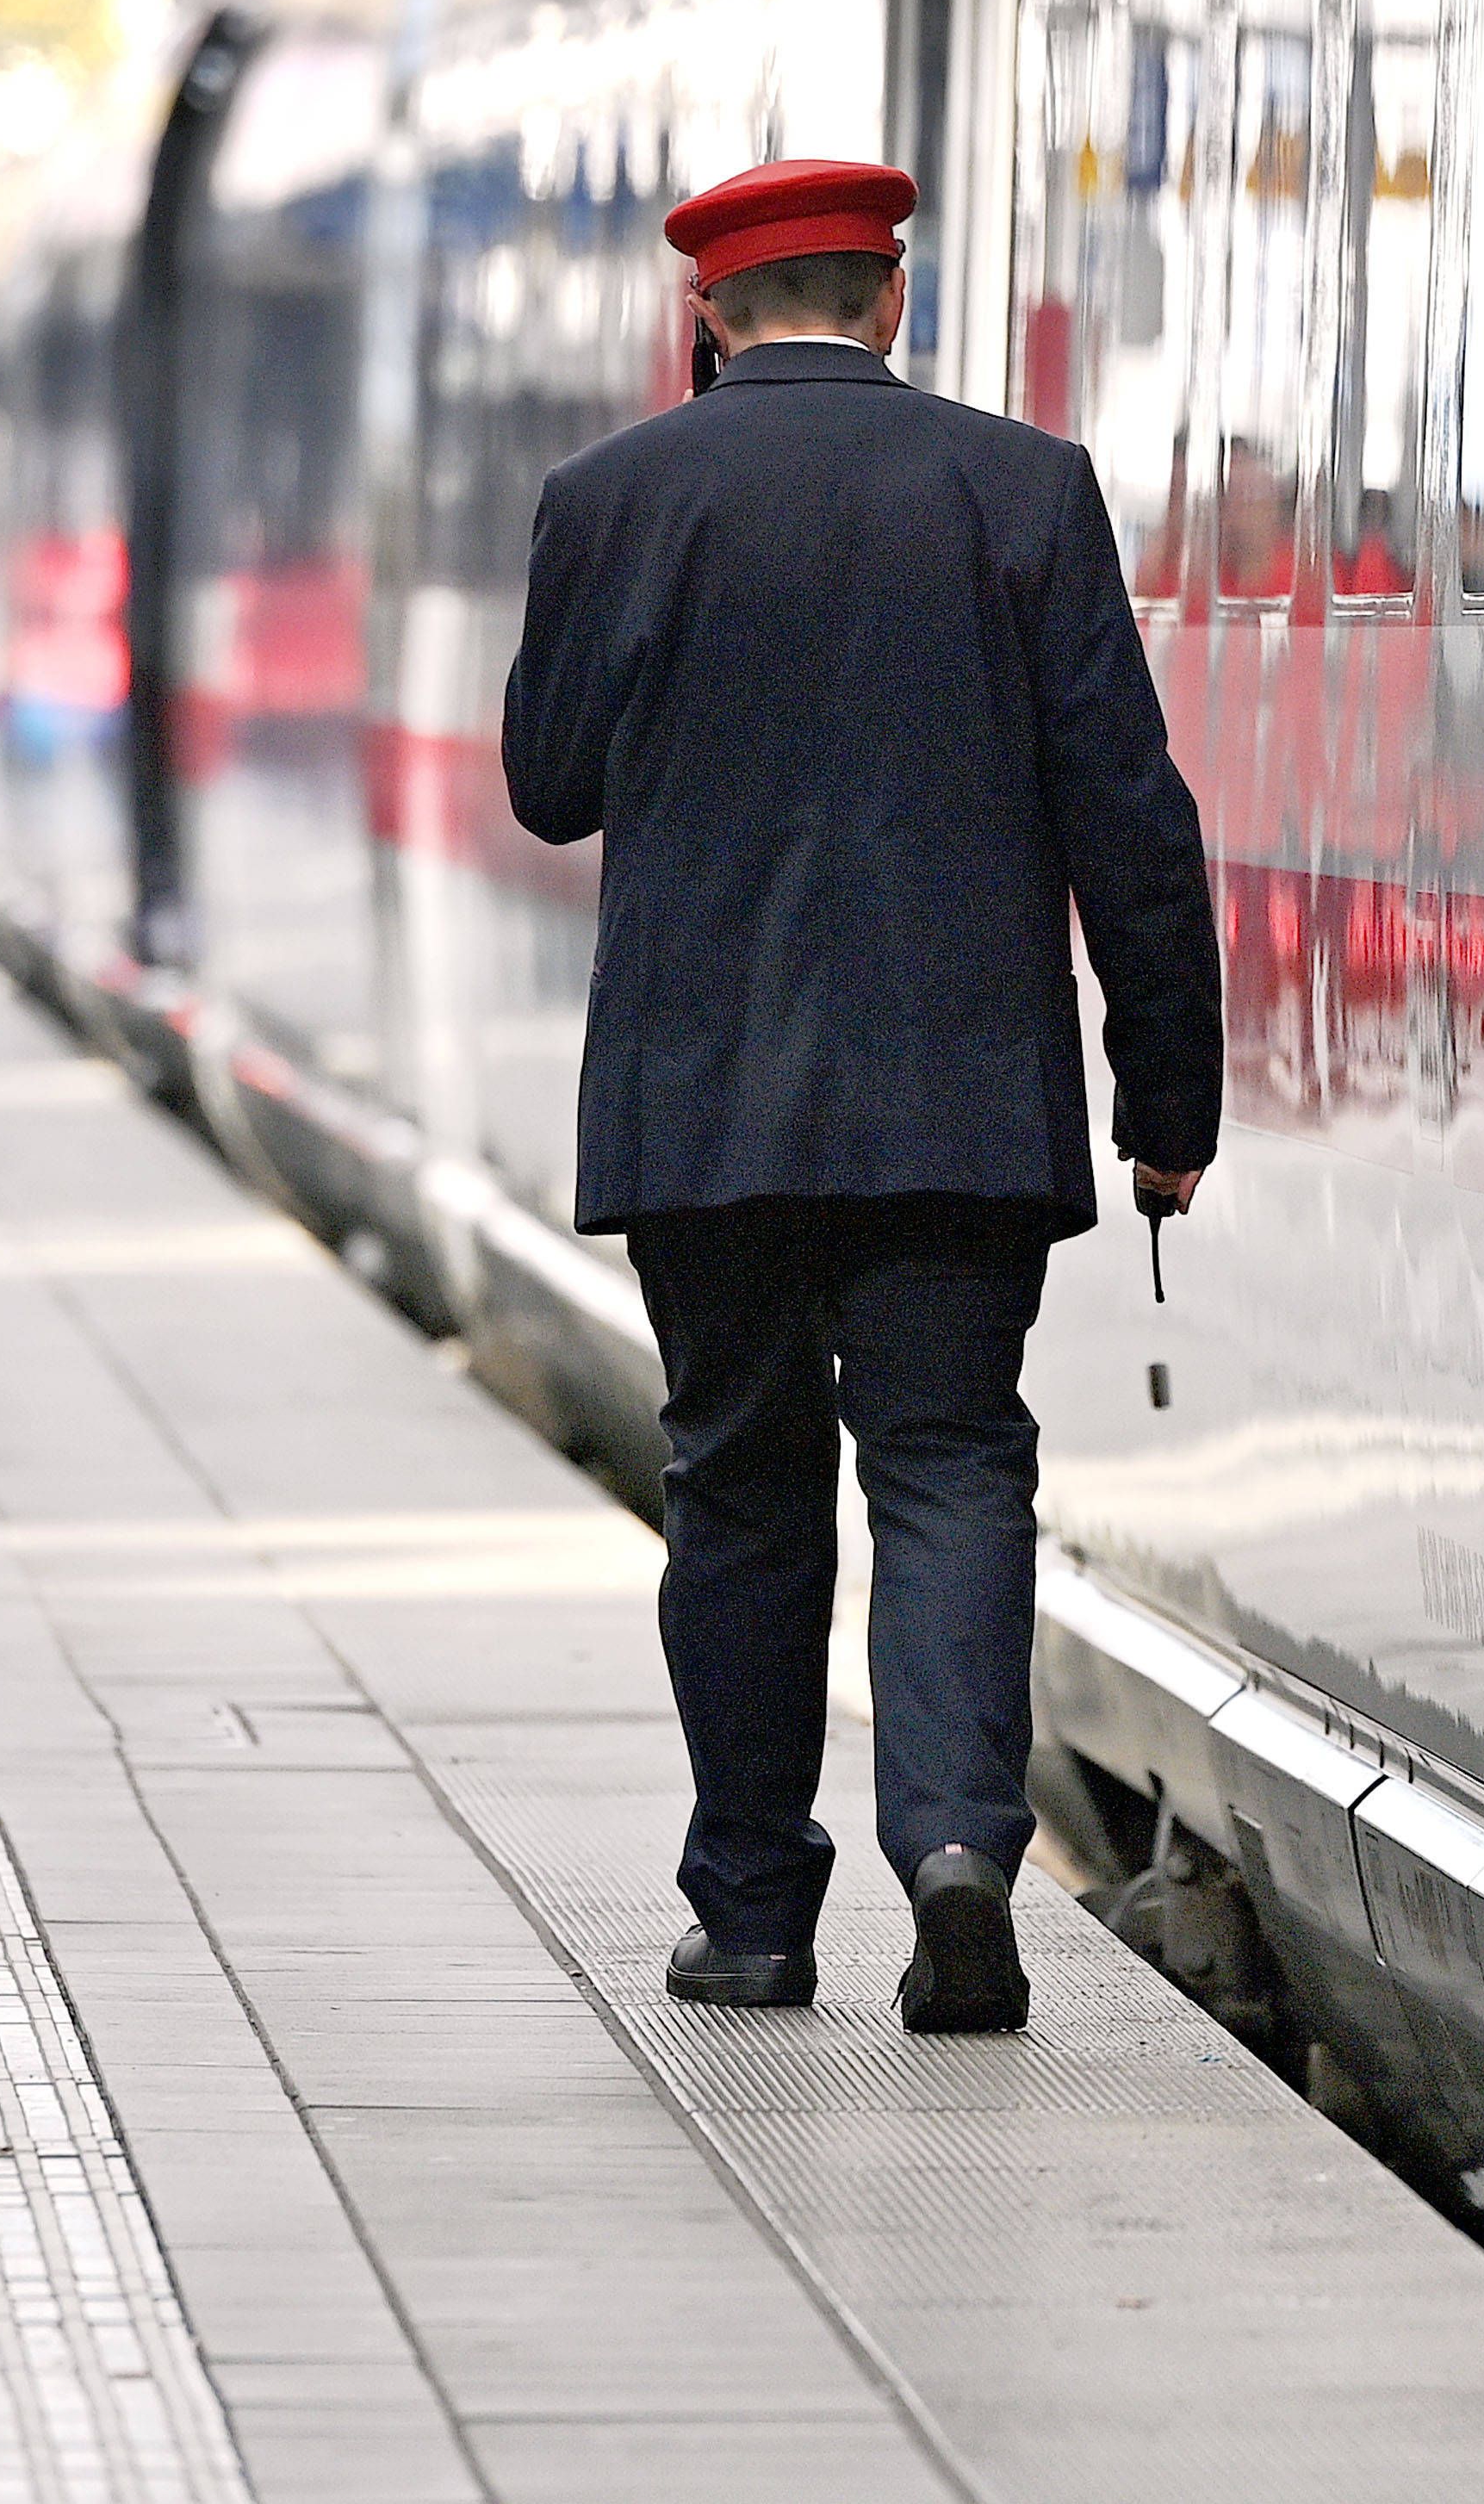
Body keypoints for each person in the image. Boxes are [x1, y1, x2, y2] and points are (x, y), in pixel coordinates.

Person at [500, 156, 1220, 2033]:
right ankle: (964, 1842)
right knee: (953, 1460)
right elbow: (1130, 816)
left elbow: (552, 782)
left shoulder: (611, 498)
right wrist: (1170, 1092)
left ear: (706, 321)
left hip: (701, 1107)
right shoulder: (1024, 488)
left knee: (737, 1482)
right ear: (888, 299)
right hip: (962, 1102)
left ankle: (749, 1911)